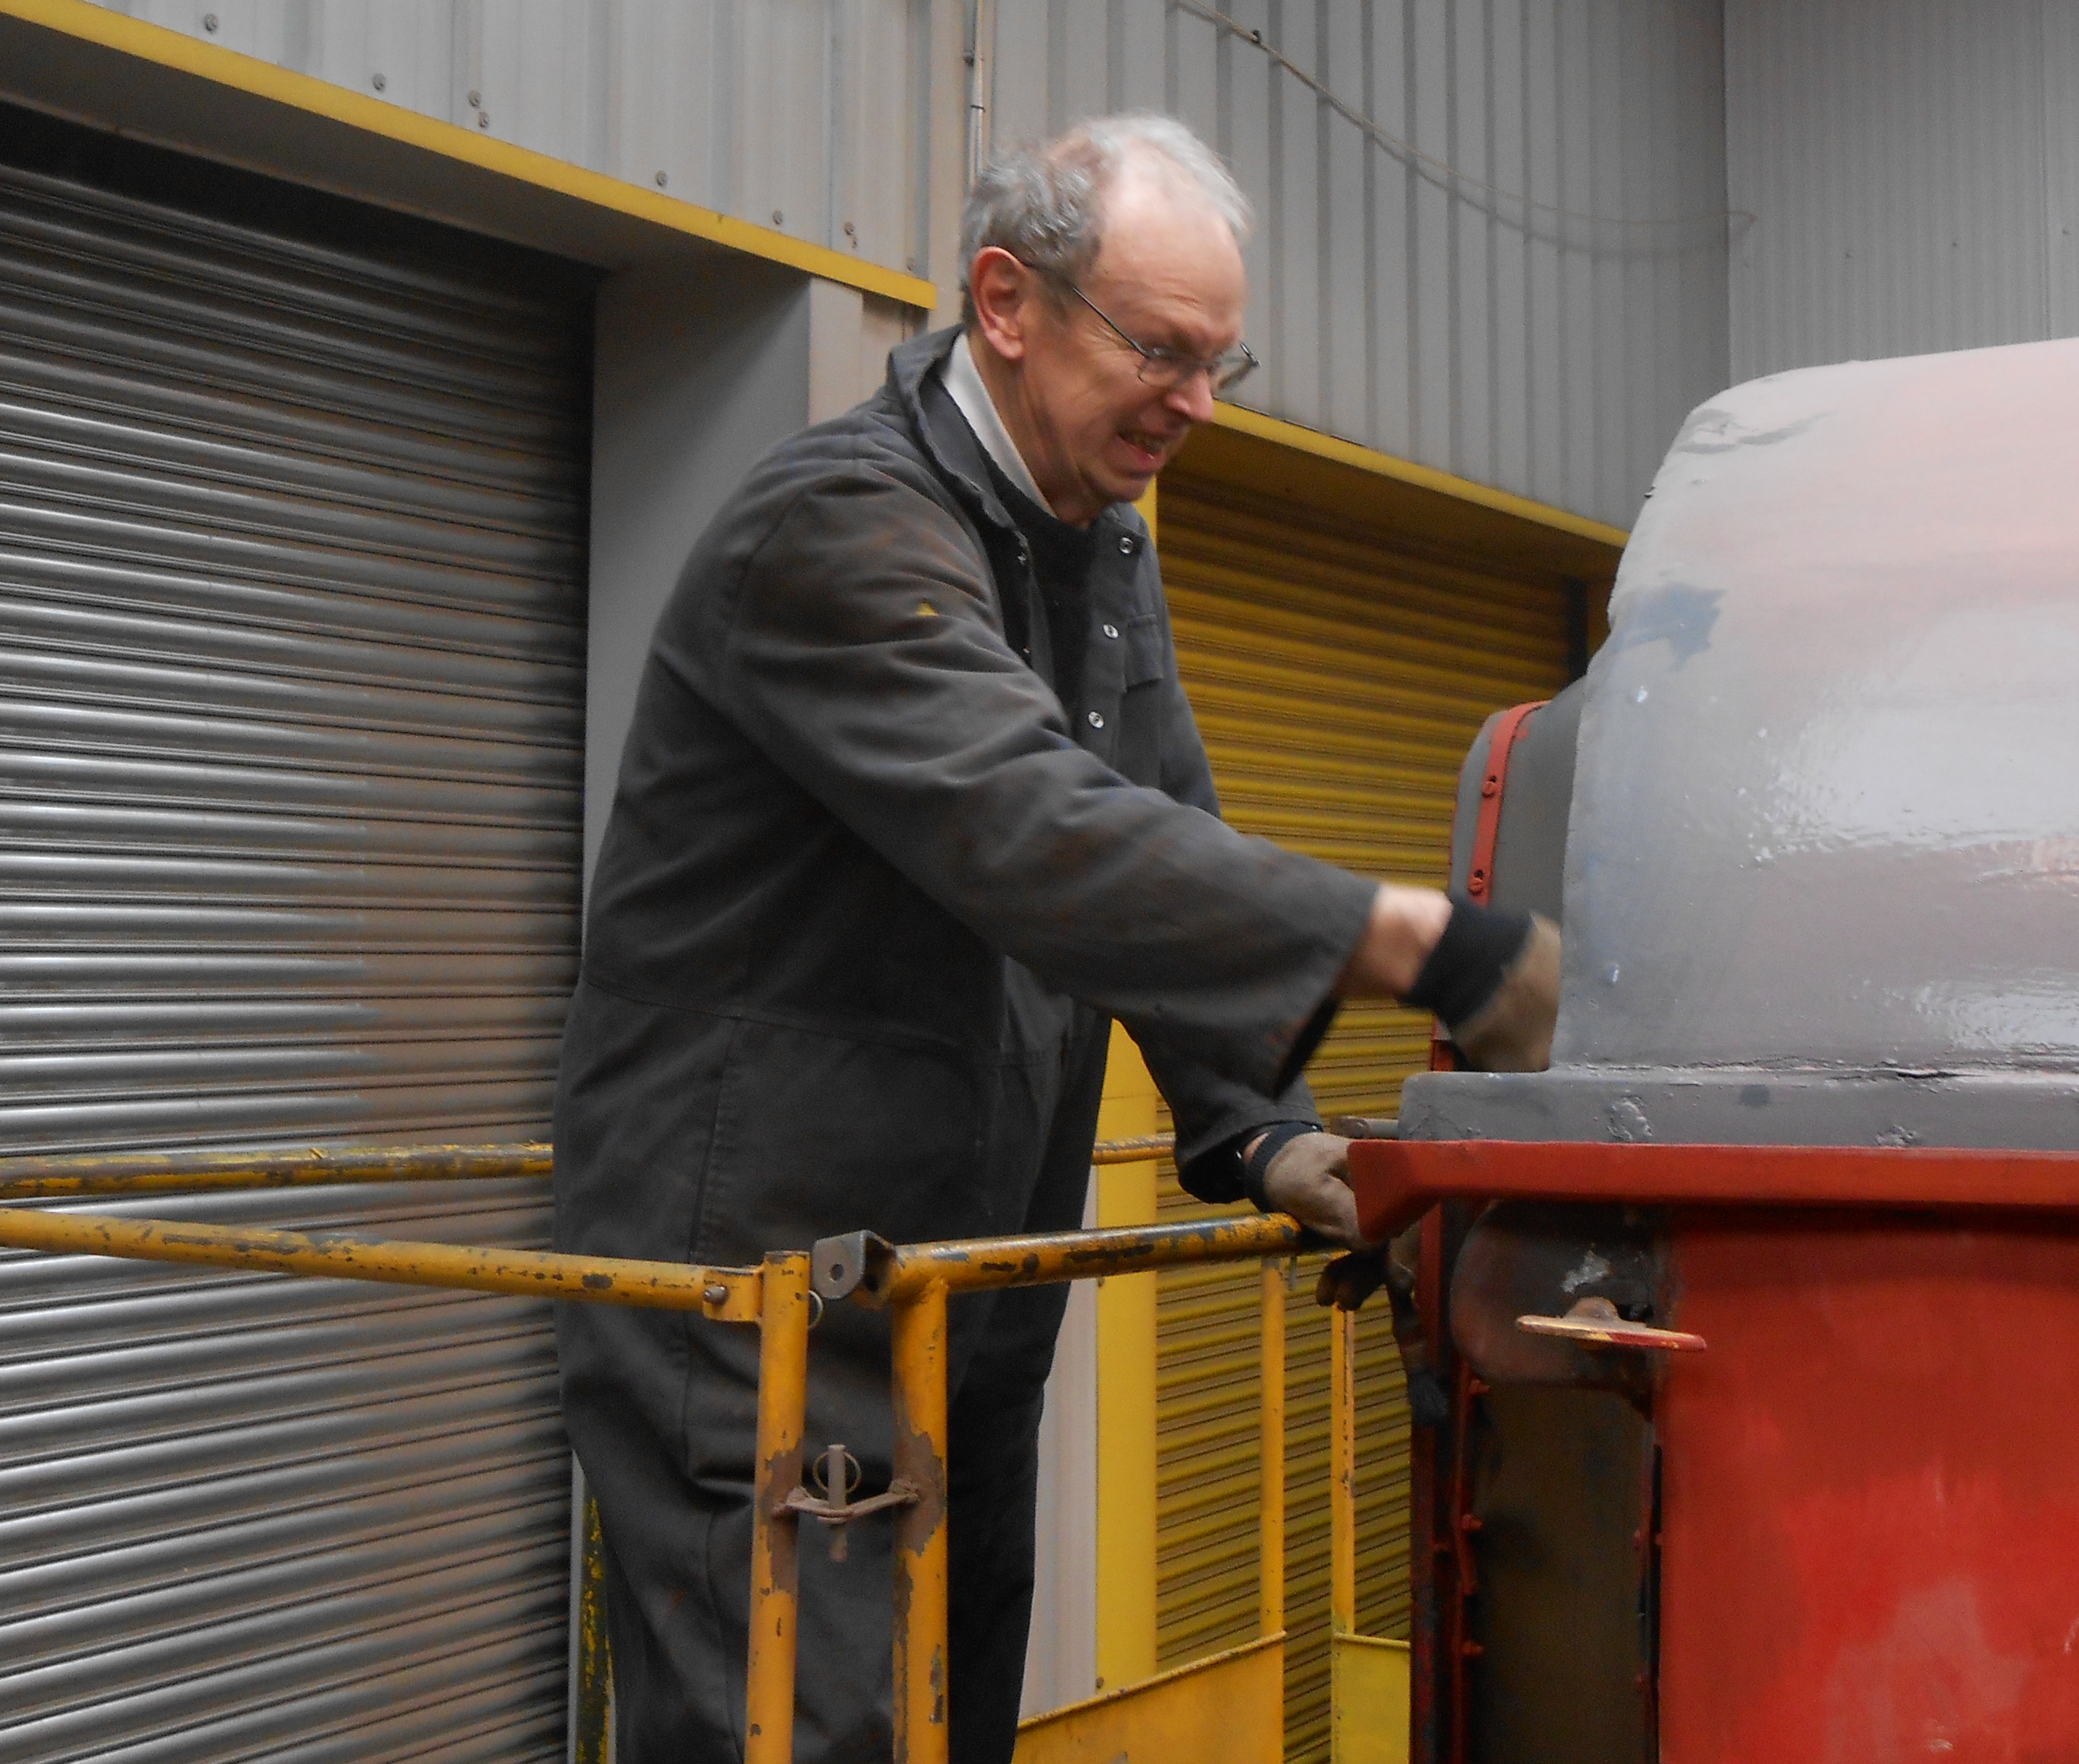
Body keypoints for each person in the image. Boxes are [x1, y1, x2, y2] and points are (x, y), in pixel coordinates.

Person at [551, 112, 1558, 1763]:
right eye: (1162, 350)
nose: (1198, 405)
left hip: (955, 1296)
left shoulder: (1099, 544)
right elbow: (1036, 834)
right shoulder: (836, 531)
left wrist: (1268, 1137)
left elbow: (1171, 816)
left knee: (951, 1734)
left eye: (1224, 363)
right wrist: (1434, 951)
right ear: (1005, 302)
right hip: (762, 1318)